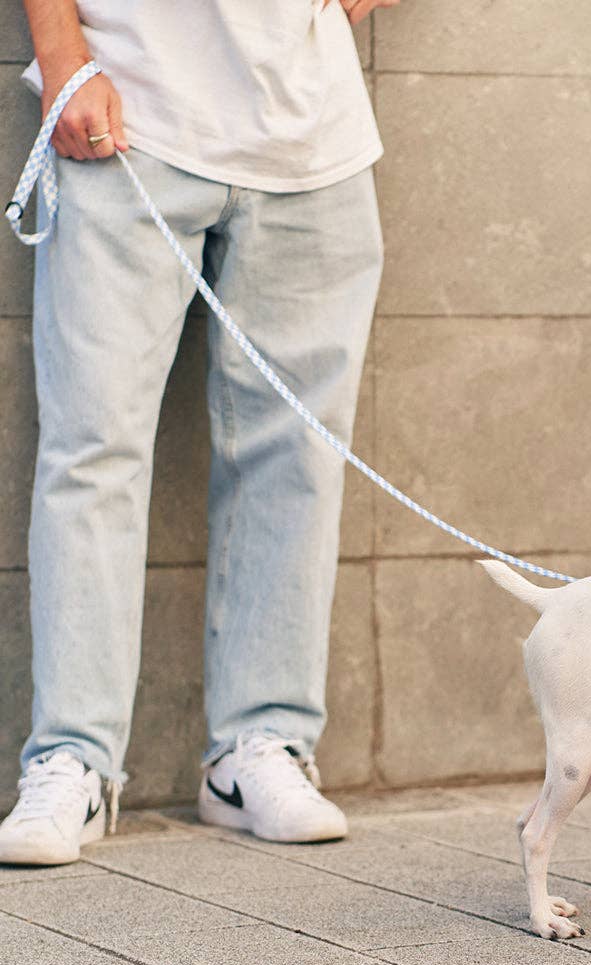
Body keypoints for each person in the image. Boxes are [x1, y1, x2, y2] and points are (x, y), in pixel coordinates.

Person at [0, 0, 399, 865]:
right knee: (93, 449)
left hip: (314, 138)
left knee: (296, 459)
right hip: (125, 113)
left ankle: (260, 749)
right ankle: (72, 760)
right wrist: (63, 56)